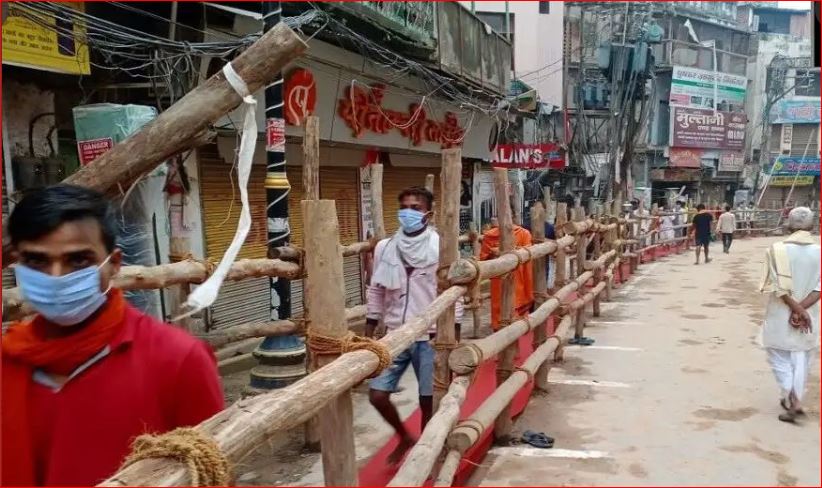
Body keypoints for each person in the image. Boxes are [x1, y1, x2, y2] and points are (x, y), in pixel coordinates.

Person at [1, 185, 224, 486]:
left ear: (114, 264)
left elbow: (211, 474)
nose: (56, 276)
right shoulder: (8, 359)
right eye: (38, 261)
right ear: (17, 262)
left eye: (78, 260)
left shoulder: (177, 360)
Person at [366, 186, 462, 464]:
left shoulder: (441, 247)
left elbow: (454, 292)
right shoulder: (386, 247)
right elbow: (376, 290)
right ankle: (404, 436)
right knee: (377, 395)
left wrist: (453, 335)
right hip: (394, 334)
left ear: (428, 214)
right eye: (404, 207)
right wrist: (369, 334)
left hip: (431, 335)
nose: (408, 212)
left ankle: (425, 456)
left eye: (415, 208)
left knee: (428, 400)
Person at [758, 207, 820, 423]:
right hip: (809, 315)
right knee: (802, 356)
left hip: (780, 312)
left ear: (789, 224)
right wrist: (803, 309)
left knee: (778, 356)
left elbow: (776, 287)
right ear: (812, 225)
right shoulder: (820, 251)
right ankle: (795, 400)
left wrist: (795, 309)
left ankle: (792, 398)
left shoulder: (776, 250)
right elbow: (820, 288)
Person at [481, 213, 534, 332]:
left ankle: (514, 330)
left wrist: (509, 251)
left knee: (516, 303)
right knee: (500, 306)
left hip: (517, 275)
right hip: (499, 277)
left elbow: (529, 252)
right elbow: (484, 258)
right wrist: (494, 253)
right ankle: (500, 330)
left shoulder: (523, 233)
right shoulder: (490, 236)